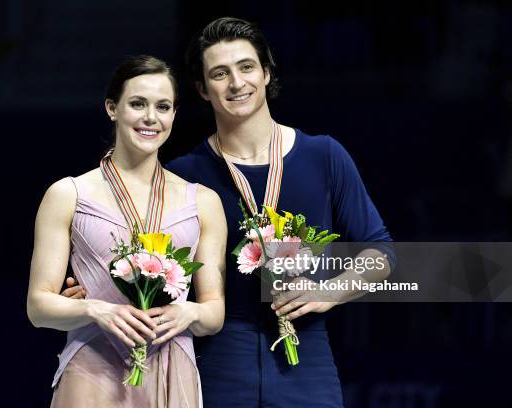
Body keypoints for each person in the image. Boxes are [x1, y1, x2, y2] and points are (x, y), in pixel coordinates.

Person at [65, 17, 395, 407]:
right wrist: (94, 288)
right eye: (220, 74)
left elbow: (381, 254)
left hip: (309, 363)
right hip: (217, 367)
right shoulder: (185, 175)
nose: (237, 83)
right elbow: (145, 257)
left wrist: (328, 291)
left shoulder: (324, 156)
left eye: (246, 67)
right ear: (203, 90)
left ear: (267, 73)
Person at [27, 55, 227, 408]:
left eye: (163, 106)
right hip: (93, 365)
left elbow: (214, 313)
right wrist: (96, 310)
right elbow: (38, 307)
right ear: (112, 108)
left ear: (174, 116)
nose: (151, 117)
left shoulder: (204, 202)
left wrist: (189, 313)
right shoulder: (68, 194)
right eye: (137, 104)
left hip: (171, 367)